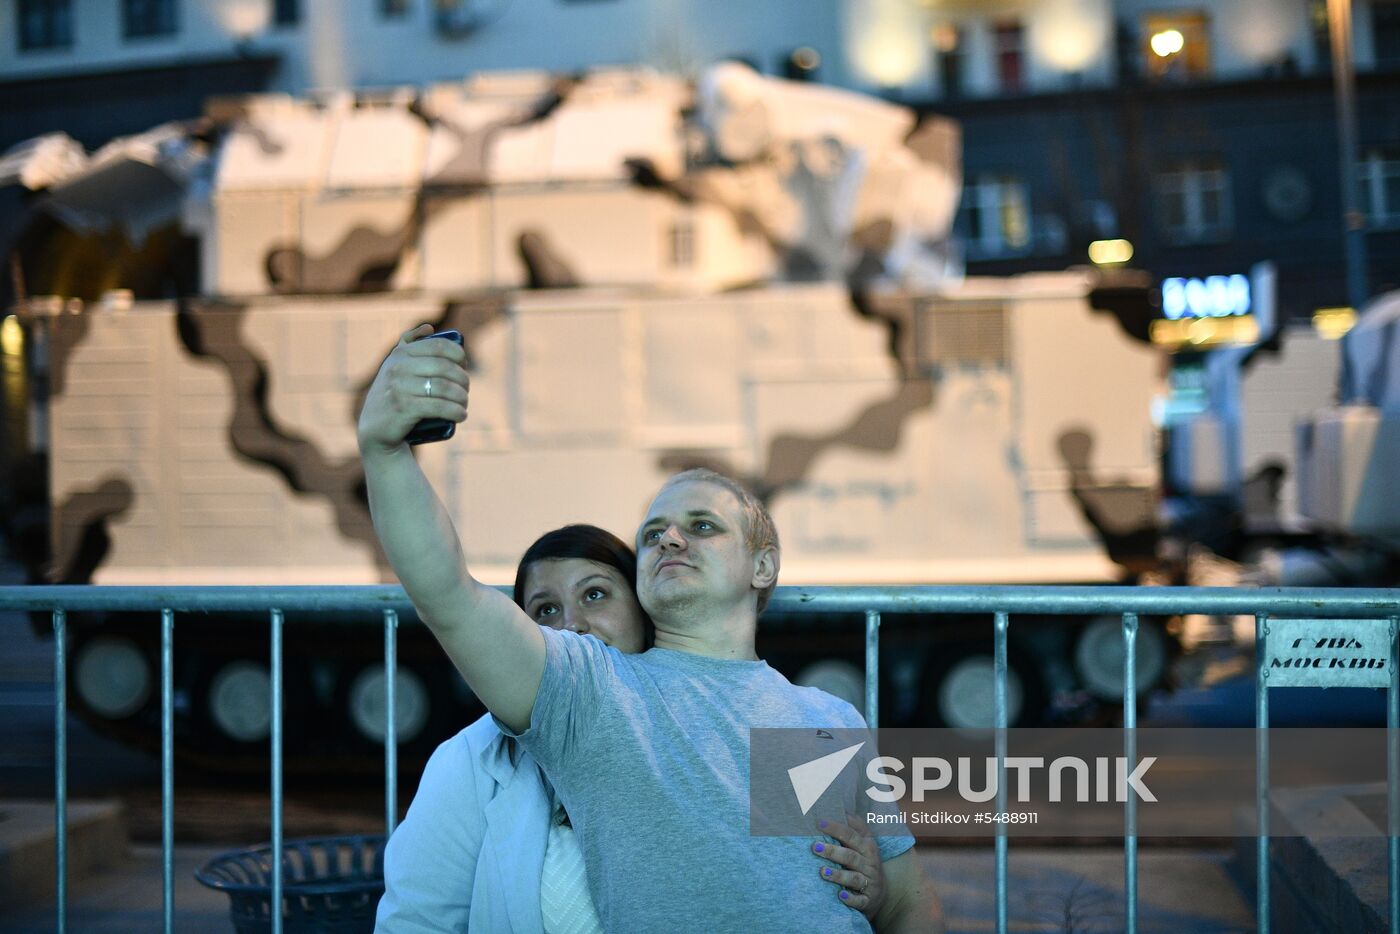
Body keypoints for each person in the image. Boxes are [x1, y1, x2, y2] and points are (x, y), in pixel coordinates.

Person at [358, 324, 942, 932]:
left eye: (703, 526)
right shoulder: (595, 695)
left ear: (763, 565)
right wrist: (384, 451)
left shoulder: (827, 719)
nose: (669, 537)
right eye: (652, 532)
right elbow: (449, 595)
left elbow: (907, 904)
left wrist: (875, 898)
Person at [374, 524, 892, 932]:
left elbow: (775, 884)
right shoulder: (473, 760)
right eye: (545, 609)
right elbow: (417, 921)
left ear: (645, 610)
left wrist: (867, 884)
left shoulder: (740, 729)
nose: (571, 624)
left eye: (595, 595)